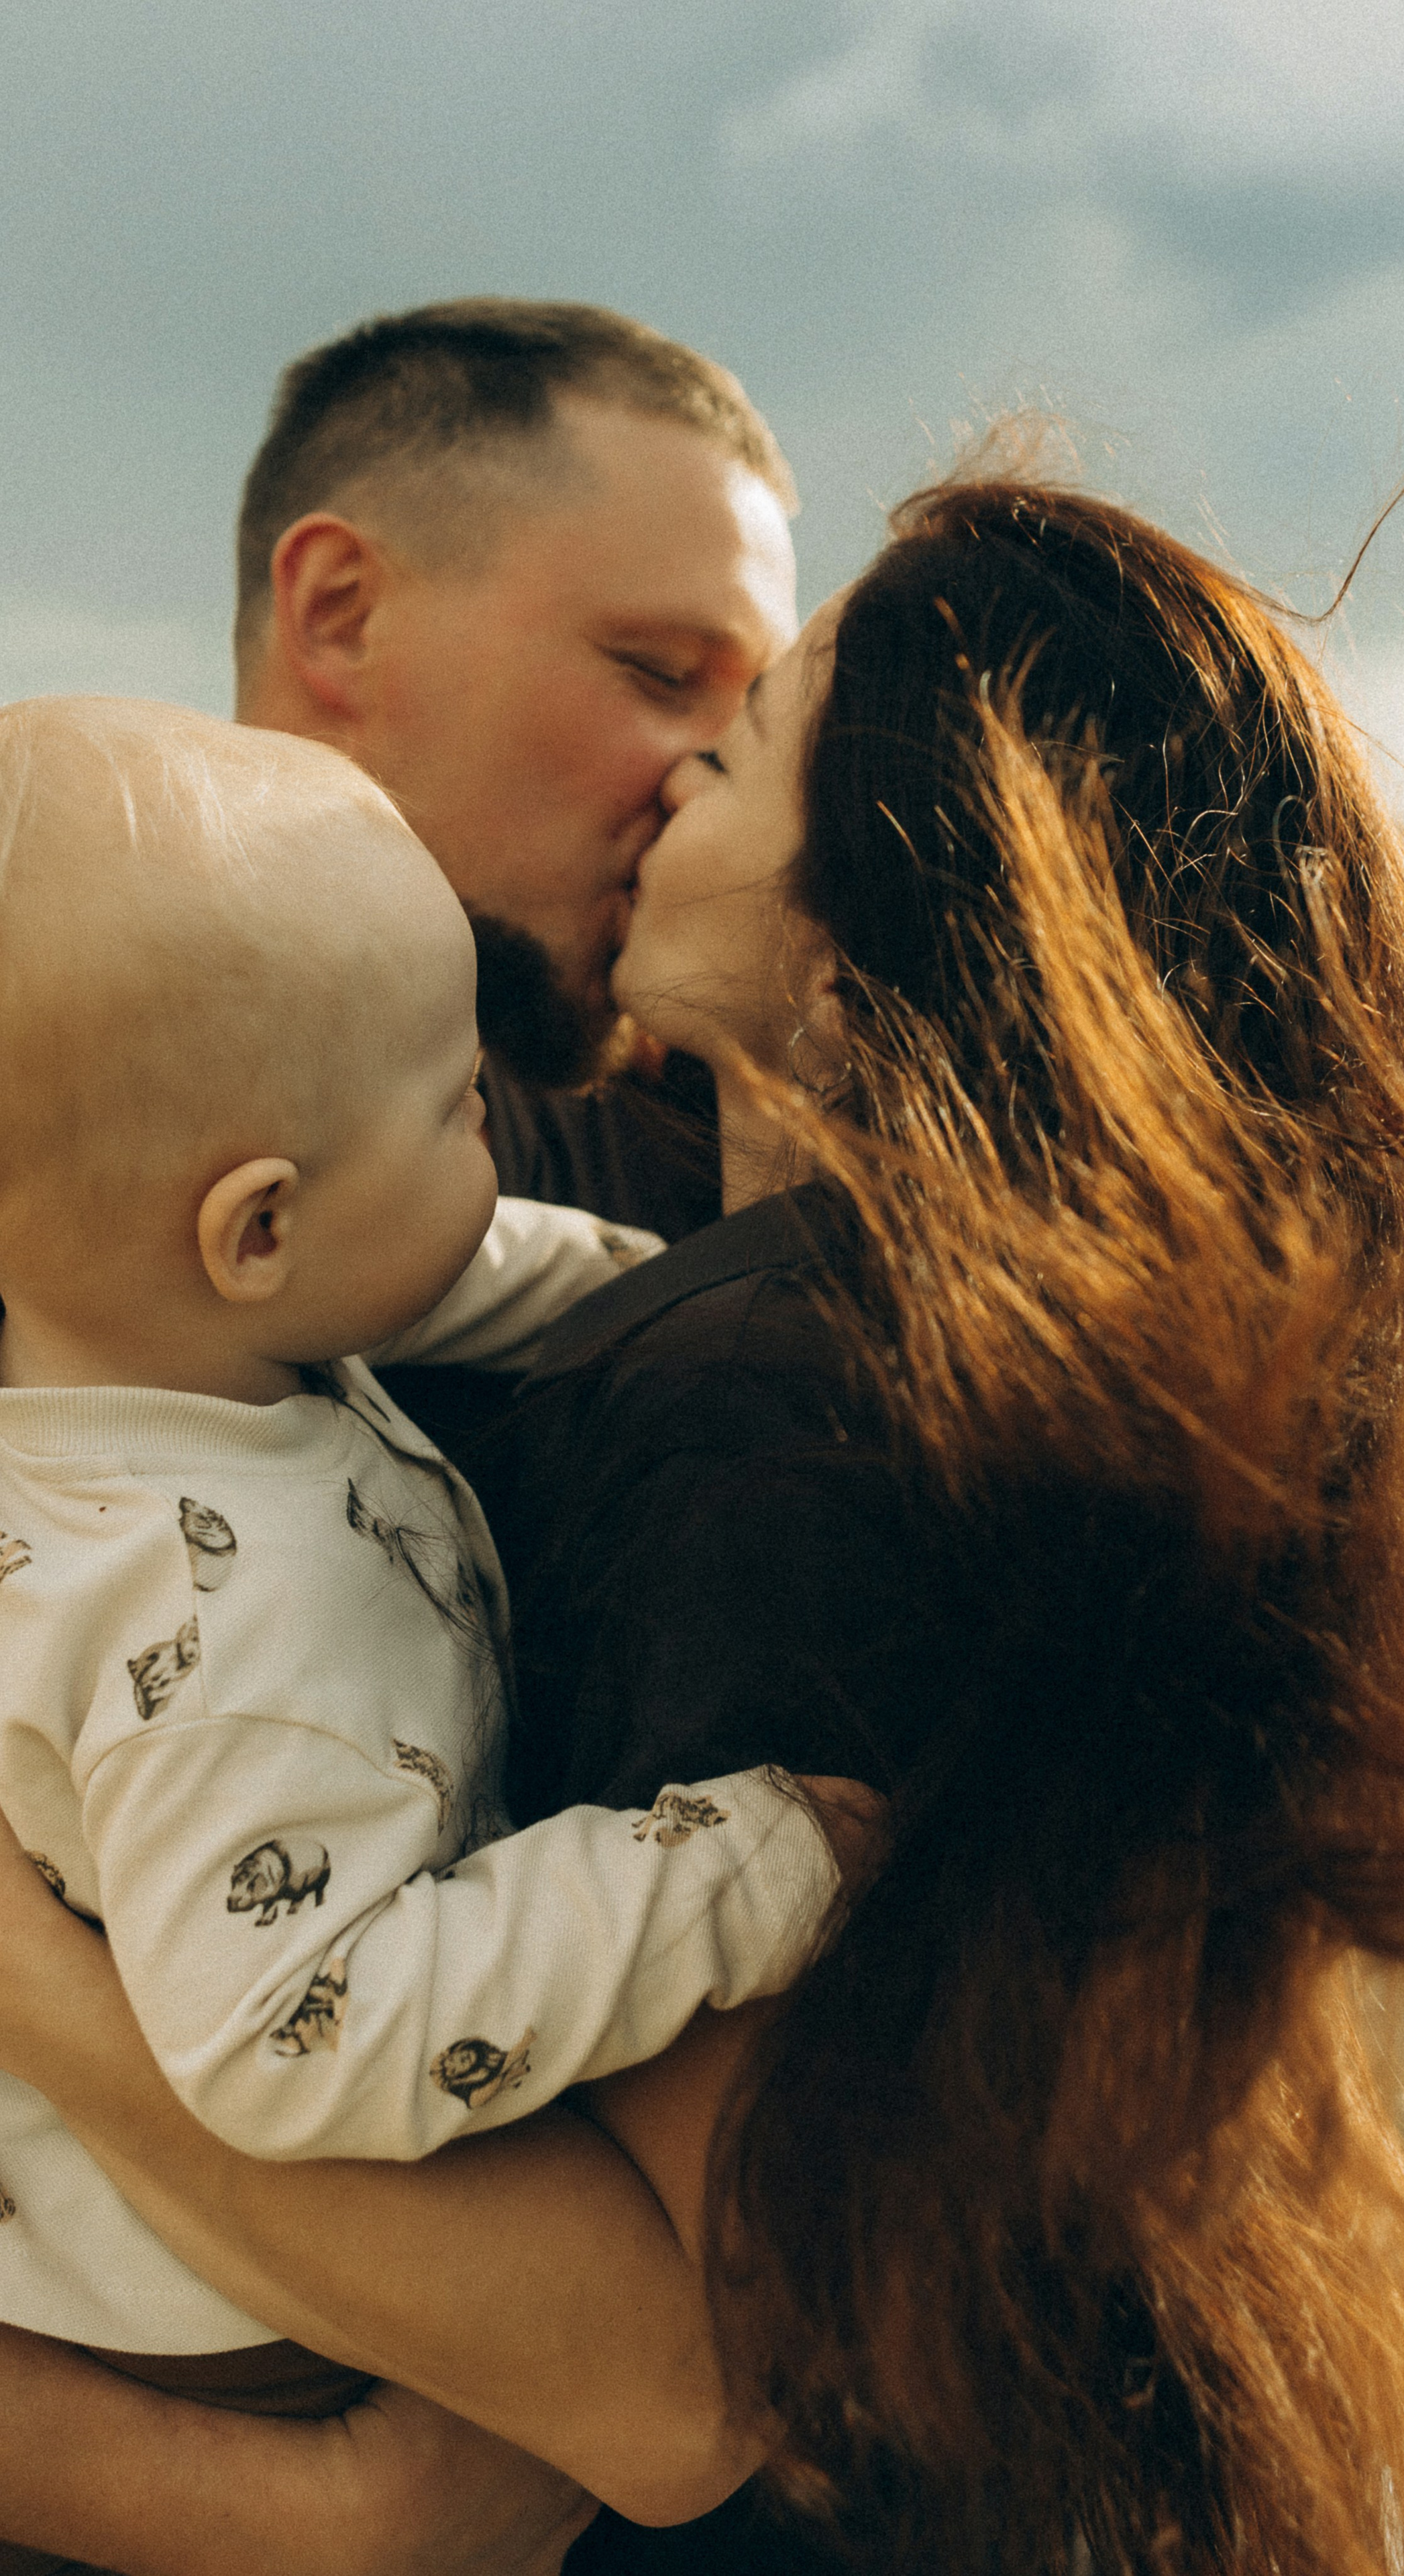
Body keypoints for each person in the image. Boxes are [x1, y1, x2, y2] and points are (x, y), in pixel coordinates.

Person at [4, 465, 1404, 2575]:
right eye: (662, 688)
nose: (666, 778)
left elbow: (652, 2386)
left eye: (728, 743)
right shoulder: (946, 1346)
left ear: (869, 925)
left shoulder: (763, 1405)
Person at [0, 698, 855, 2554]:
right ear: (257, 1228)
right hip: (231, 2338)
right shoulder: (211, 1634)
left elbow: (460, 1263)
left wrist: (676, 1290)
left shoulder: (160, 1336)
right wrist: (725, 1871)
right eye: (465, 1108)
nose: (503, 1145)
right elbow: (303, 2033)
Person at [232, 296, 801, 1245]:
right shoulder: (47, 1086)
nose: (703, 778)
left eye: (755, 721)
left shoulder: (720, 1148)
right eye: (661, 672)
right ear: (342, 613)